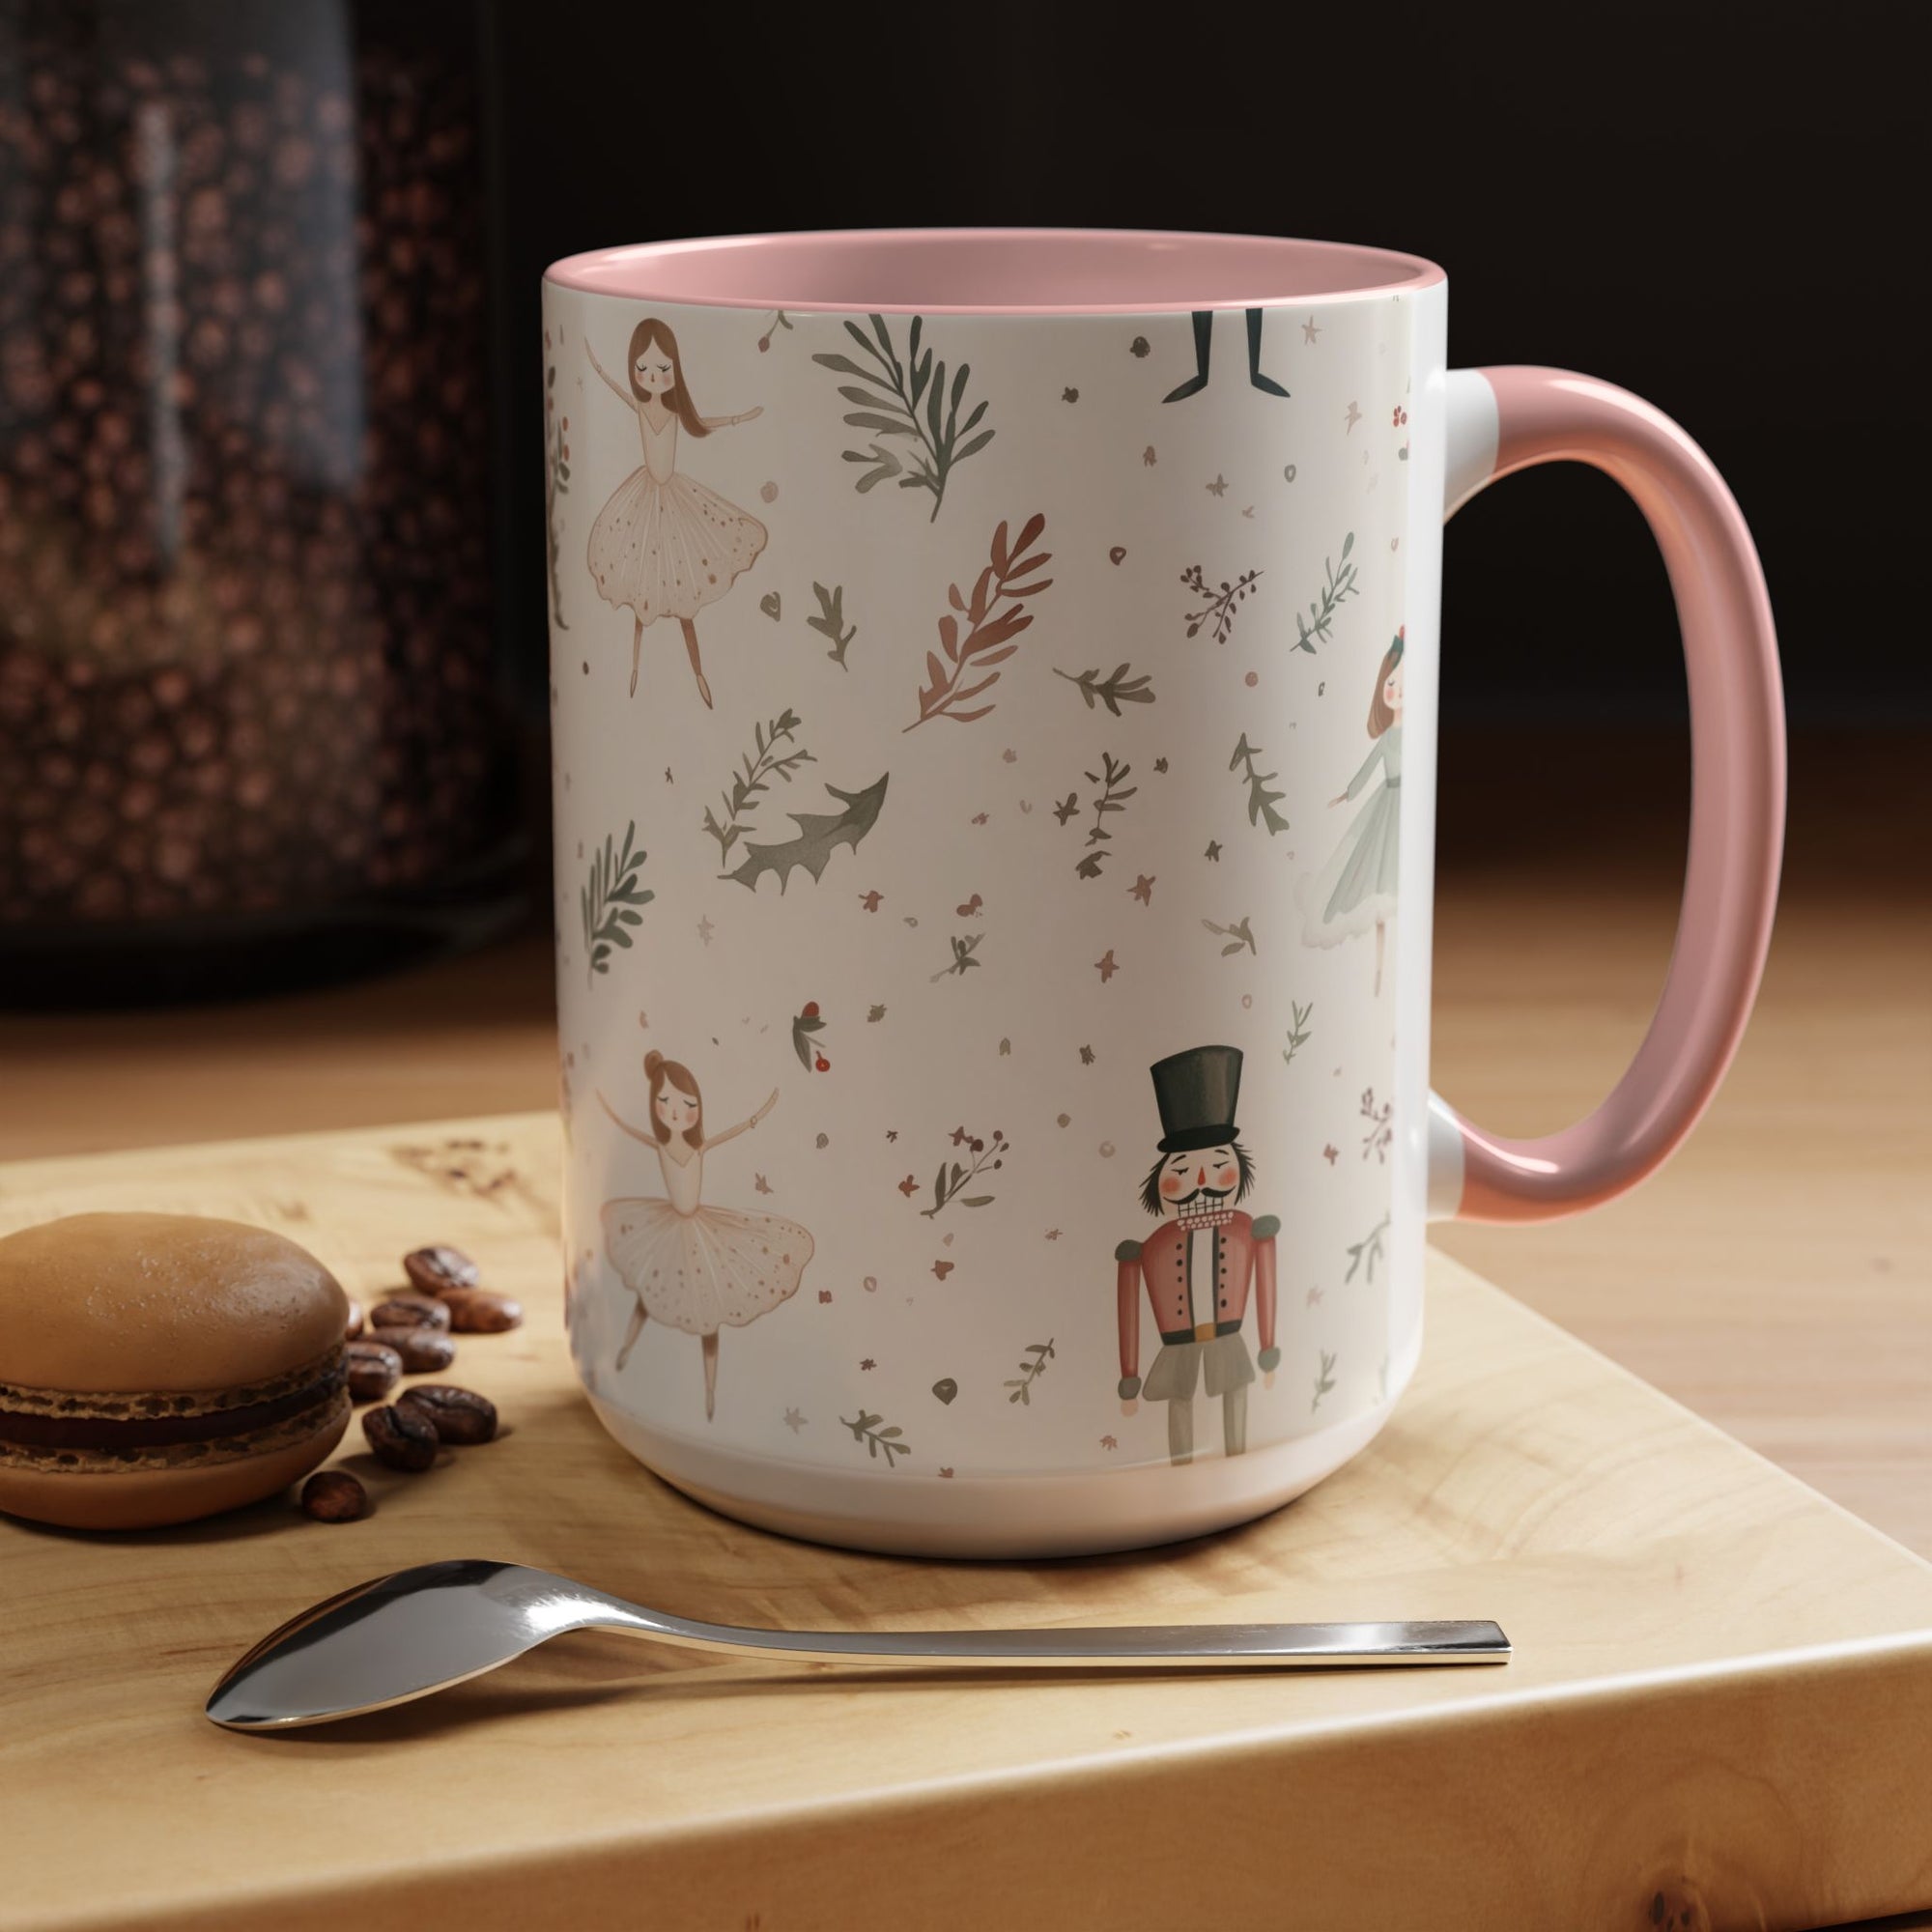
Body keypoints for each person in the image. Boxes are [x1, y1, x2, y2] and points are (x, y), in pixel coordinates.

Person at [599, 1051, 810, 1420]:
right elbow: (631, 1131)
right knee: (647, 1294)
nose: (676, 1111)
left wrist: (760, 1114)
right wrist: (607, 1109)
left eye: (687, 1103)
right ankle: (625, 1350)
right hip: (667, 1227)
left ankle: (710, 1392)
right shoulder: (661, 1144)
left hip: (702, 1230)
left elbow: (737, 1130)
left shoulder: (699, 1145)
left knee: (709, 1313)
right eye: (665, 1102)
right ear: (654, 1106)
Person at [584, 318, 765, 706]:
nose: (652, 376)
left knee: (683, 594)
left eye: (662, 368)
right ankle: (633, 668)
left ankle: (698, 673)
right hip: (643, 498)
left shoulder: (676, 411)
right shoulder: (639, 406)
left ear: (674, 370)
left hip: (675, 500)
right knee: (640, 586)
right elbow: (616, 389)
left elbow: (702, 423)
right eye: (643, 368)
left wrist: (737, 419)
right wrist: (597, 366)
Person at [1114, 1045, 1280, 1465]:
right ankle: (1180, 1468)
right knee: (1179, 1403)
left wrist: (1268, 1346)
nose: (1201, 1183)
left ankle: (1239, 1458)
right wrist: (1129, 1375)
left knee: (1236, 1394)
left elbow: (1266, 1278)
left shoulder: (1248, 1230)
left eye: (1217, 1165)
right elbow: (1128, 1298)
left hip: (1229, 1332)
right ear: (1160, 1181)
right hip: (1177, 1343)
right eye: (1182, 1171)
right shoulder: (1155, 1246)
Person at [1299, 631, 1405, 995]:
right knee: (1373, 890)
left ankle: (1386, 976)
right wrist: (1346, 795)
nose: (1396, 688)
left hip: (1401, 809)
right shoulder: (1388, 737)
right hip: (1383, 807)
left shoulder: (1409, 733)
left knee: (1393, 890)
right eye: (1391, 681)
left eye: (1402, 681)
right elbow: (1368, 767)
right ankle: (1375, 973)